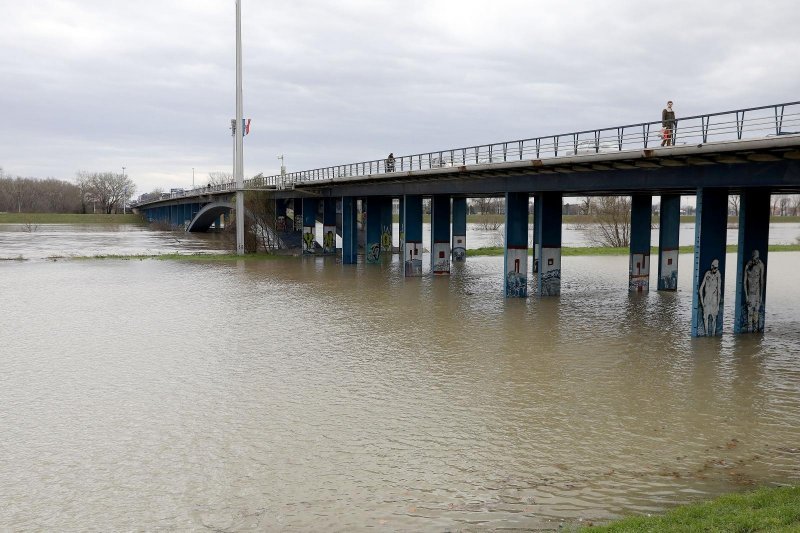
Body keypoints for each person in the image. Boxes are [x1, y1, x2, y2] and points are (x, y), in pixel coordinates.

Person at [698, 258, 721, 336]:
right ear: (712, 266)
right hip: (707, 301)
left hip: (713, 301)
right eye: (714, 268)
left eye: (717, 268)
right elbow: (700, 289)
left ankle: (711, 341)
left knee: (714, 320)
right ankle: (707, 335)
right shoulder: (707, 274)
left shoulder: (718, 274)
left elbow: (719, 291)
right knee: (706, 319)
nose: (715, 270)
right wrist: (702, 303)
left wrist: (718, 305)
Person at [743, 249, 765, 331]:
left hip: (757, 293)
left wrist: (761, 297)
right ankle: (749, 334)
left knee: (756, 316)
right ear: (752, 257)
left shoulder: (761, 265)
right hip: (750, 294)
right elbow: (744, 282)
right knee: (750, 316)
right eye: (755, 258)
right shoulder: (748, 265)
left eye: (757, 258)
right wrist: (746, 297)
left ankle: (754, 340)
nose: (757, 260)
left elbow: (762, 281)